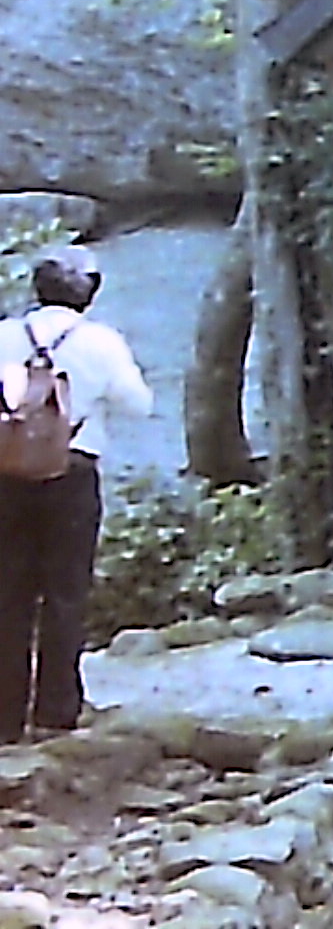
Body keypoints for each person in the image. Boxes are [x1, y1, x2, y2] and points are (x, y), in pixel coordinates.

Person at [0, 245, 153, 742]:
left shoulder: (4, 334)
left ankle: (5, 716)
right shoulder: (100, 341)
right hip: (73, 469)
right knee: (66, 591)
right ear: (88, 292)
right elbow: (138, 405)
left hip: (6, 473)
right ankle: (57, 710)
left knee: (9, 592)